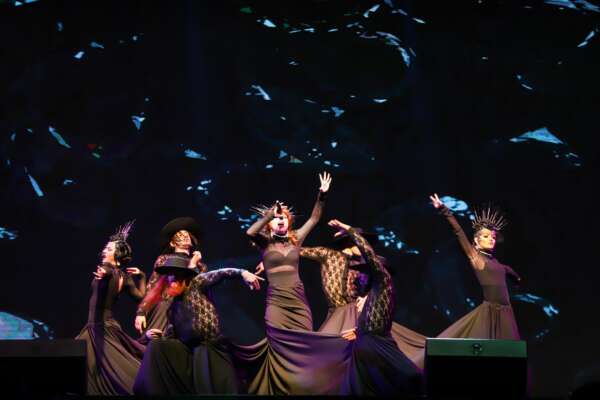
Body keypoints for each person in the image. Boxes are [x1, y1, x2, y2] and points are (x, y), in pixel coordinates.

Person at [133, 252, 263, 395]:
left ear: (185, 277)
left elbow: (221, 273)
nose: (173, 280)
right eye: (170, 277)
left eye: (177, 276)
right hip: (193, 355)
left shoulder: (196, 284)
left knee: (224, 387)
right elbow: (172, 335)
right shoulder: (173, 309)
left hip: (214, 349)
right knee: (157, 346)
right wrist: (154, 337)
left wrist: (243, 273)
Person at [327, 219, 423, 396]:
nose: (361, 276)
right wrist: (359, 331)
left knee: (413, 379)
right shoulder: (369, 295)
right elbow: (373, 319)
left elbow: (369, 254)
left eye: (366, 271)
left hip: (378, 344)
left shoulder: (383, 281)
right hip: (367, 344)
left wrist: (348, 229)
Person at [428, 193, 521, 340]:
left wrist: (514, 277)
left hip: (507, 312)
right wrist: (443, 209)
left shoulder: (498, 264)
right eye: (485, 236)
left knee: (512, 350)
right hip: (490, 311)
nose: (491, 239)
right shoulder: (475, 257)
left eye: (493, 237)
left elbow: (509, 275)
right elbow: (458, 232)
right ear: (476, 241)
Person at [75, 222, 147, 395]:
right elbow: (142, 298)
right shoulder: (125, 276)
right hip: (102, 327)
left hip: (100, 328)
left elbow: (108, 275)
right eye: (105, 247)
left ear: (117, 254)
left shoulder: (108, 271)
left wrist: (105, 275)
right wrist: (143, 277)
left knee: (110, 369)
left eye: (109, 248)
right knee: (94, 370)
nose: (104, 250)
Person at [134, 217, 203, 341]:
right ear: (172, 243)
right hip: (165, 308)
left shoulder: (199, 264)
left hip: (187, 310)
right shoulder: (164, 259)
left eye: (187, 235)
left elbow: (198, 288)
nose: (185, 237)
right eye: (180, 235)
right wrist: (141, 312)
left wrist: (193, 264)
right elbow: (152, 286)